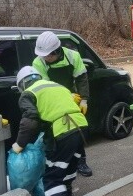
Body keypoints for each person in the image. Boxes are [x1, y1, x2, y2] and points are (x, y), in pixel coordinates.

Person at [11, 66, 87, 196]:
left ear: (22, 84)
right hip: (82, 127)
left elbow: (30, 122)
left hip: (64, 130)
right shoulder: (55, 85)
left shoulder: (28, 93)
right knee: (68, 166)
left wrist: (19, 145)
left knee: (52, 176)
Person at [32, 31, 93, 177]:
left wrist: (84, 99)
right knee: (53, 133)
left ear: (57, 51)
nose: (45, 58)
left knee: (76, 130)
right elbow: (45, 86)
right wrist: (66, 94)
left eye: (48, 55)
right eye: (43, 55)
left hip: (73, 100)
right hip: (50, 101)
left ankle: (80, 161)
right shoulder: (38, 63)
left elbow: (81, 78)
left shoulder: (73, 56)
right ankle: (58, 162)